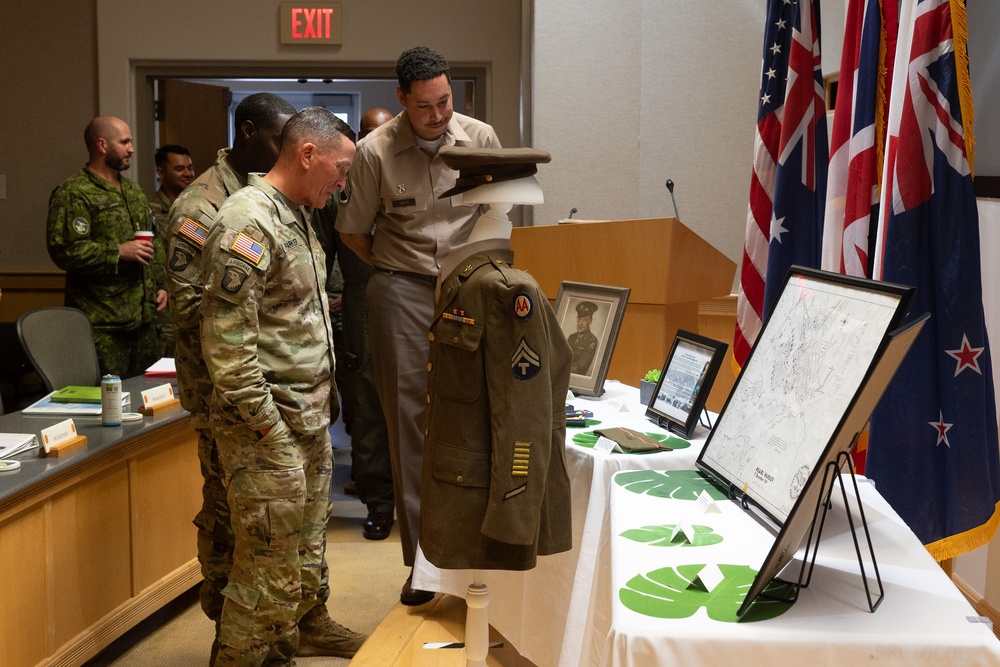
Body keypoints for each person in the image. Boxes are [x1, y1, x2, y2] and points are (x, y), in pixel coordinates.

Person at [166, 93, 360, 661]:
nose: (342, 184)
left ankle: (281, 649)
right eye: (340, 170)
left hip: (305, 418)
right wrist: (269, 432)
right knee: (266, 573)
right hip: (266, 428)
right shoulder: (244, 221)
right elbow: (227, 348)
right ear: (306, 154)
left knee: (298, 561)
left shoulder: (296, 215)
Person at [337, 46, 504, 606]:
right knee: (409, 424)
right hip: (402, 290)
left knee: (477, 414)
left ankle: (481, 554)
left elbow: (498, 214)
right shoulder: (373, 153)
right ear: (402, 101)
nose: (438, 115)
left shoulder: (480, 139)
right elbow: (355, 232)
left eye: (445, 101)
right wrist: (402, 268)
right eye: (425, 106)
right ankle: (424, 565)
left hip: (473, 285)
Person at [46, 115, 167, 378]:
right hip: (103, 325)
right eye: (124, 142)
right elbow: (63, 250)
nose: (131, 149)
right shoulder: (74, 192)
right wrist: (118, 251)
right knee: (110, 405)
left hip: (144, 322)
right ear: (102, 145)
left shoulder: (133, 191)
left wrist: (161, 285)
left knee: (150, 399)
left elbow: (153, 240)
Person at [337, 106, 395, 541]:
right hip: (360, 305)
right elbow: (323, 244)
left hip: (411, 299)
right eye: (367, 133)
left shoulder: (410, 169)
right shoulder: (342, 184)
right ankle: (378, 504)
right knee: (368, 407)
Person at [149, 144, 195, 357]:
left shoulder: (197, 208)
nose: (187, 174)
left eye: (189, 167)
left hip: (192, 299)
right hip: (164, 302)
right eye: (179, 169)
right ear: (161, 172)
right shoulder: (148, 208)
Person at [568, 300, 599, 375]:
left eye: (585, 320)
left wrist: (562, 368)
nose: (580, 323)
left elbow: (581, 367)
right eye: (579, 319)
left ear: (590, 321)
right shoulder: (571, 337)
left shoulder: (592, 340)